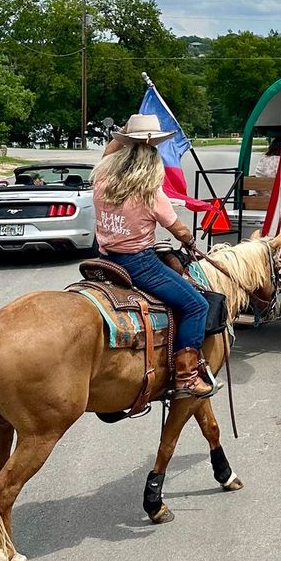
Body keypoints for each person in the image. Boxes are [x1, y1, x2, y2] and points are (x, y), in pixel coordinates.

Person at [91, 114, 216, 401]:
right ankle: (187, 376)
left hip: (105, 260)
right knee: (196, 305)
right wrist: (189, 240)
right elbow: (178, 228)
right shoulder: (151, 193)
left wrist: (122, 136)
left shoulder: (102, 179)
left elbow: (106, 155)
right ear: (153, 153)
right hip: (138, 264)